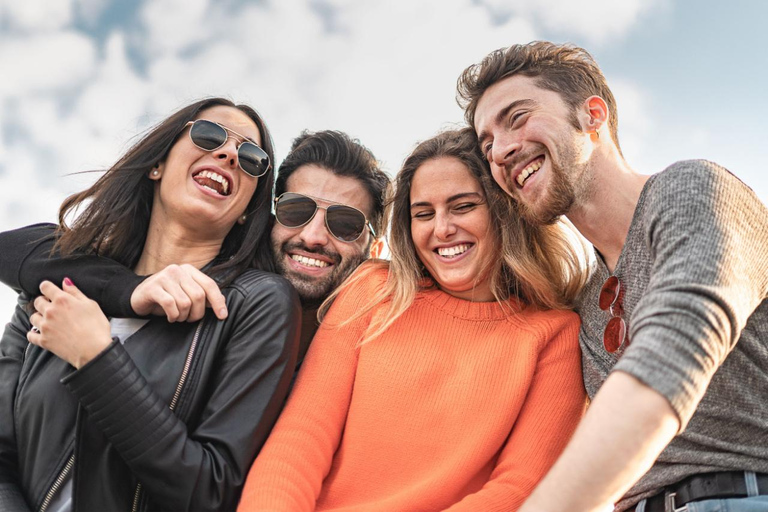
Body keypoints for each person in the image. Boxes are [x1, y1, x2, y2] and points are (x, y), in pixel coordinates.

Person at [458, 41, 768, 511]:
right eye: (487, 145)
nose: (499, 151)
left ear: (594, 116)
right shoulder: (584, 303)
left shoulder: (691, 189)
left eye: (517, 118)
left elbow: (677, 347)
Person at [237, 128, 588, 511]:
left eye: (463, 206)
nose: (441, 229)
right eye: (424, 213)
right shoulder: (372, 288)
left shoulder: (555, 335)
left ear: (504, 209)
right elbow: (300, 441)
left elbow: (521, 487)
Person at [0, 98, 301, 511]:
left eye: (252, 158)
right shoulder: (57, 286)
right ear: (156, 165)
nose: (230, 153)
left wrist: (96, 358)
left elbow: (210, 490)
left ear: (249, 210)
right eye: (209, 135)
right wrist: (129, 290)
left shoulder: (257, 304)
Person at [0, 130, 389, 369]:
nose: (315, 235)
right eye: (295, 210)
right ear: (268, 217)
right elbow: (21, 248)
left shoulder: (381, 342)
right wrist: (130, 289)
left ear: (375, 248)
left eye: (345, 224)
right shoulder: (217, 283)